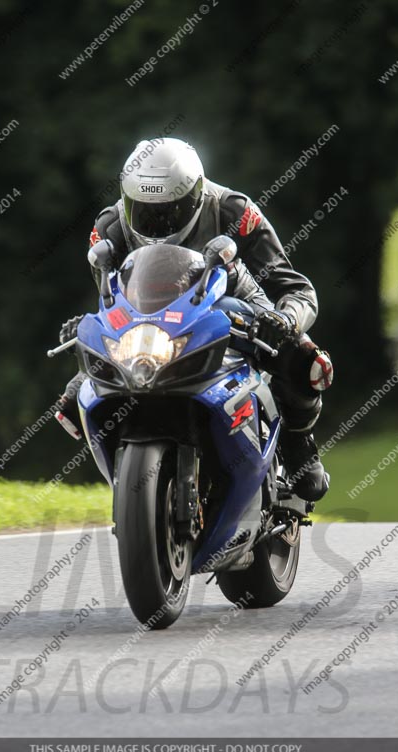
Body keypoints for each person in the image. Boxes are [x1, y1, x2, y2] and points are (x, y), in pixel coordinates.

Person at [57, 138, 333, 501]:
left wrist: (284, 319)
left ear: (197, 195)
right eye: (145, 212)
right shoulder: (110, 227)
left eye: (170, 211)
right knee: (73, 401)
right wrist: (90, 327)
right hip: (151, 330)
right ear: (126, 203)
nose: (157, 223)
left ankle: (299, 443)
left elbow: (295, 287)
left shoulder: (234, 212)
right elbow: (113, 298)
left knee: (306, 360)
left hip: (232, 308)